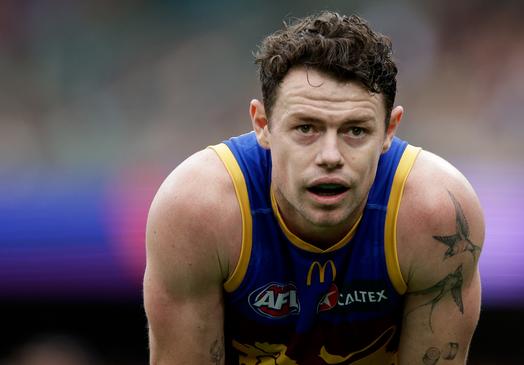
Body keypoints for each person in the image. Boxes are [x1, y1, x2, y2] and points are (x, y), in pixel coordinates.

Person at [144, 11, 484, 365]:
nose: (330, 156)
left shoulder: (438, 216)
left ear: (389, 130)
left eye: (356, 130)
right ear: (262, 125)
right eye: (306, 128)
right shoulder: (197, 210)